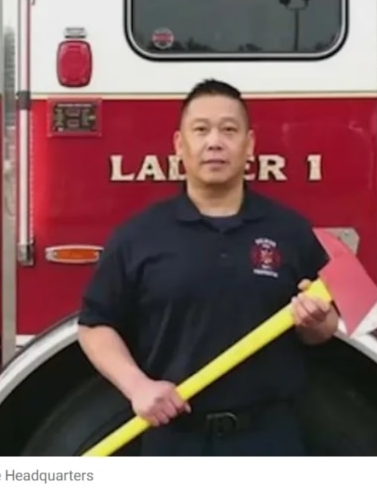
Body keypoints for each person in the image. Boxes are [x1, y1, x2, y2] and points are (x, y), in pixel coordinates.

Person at [77, 78, 340, 456]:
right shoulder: (139, 236)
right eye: (200, 130)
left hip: (268, 440)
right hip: (174, 438)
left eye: (228, 130)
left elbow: (326, 328)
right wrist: (138, 387)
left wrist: (316, 322)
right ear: (179, 145)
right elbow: (95, 325)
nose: (214, 142)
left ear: (249, 145)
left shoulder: (290, 230)